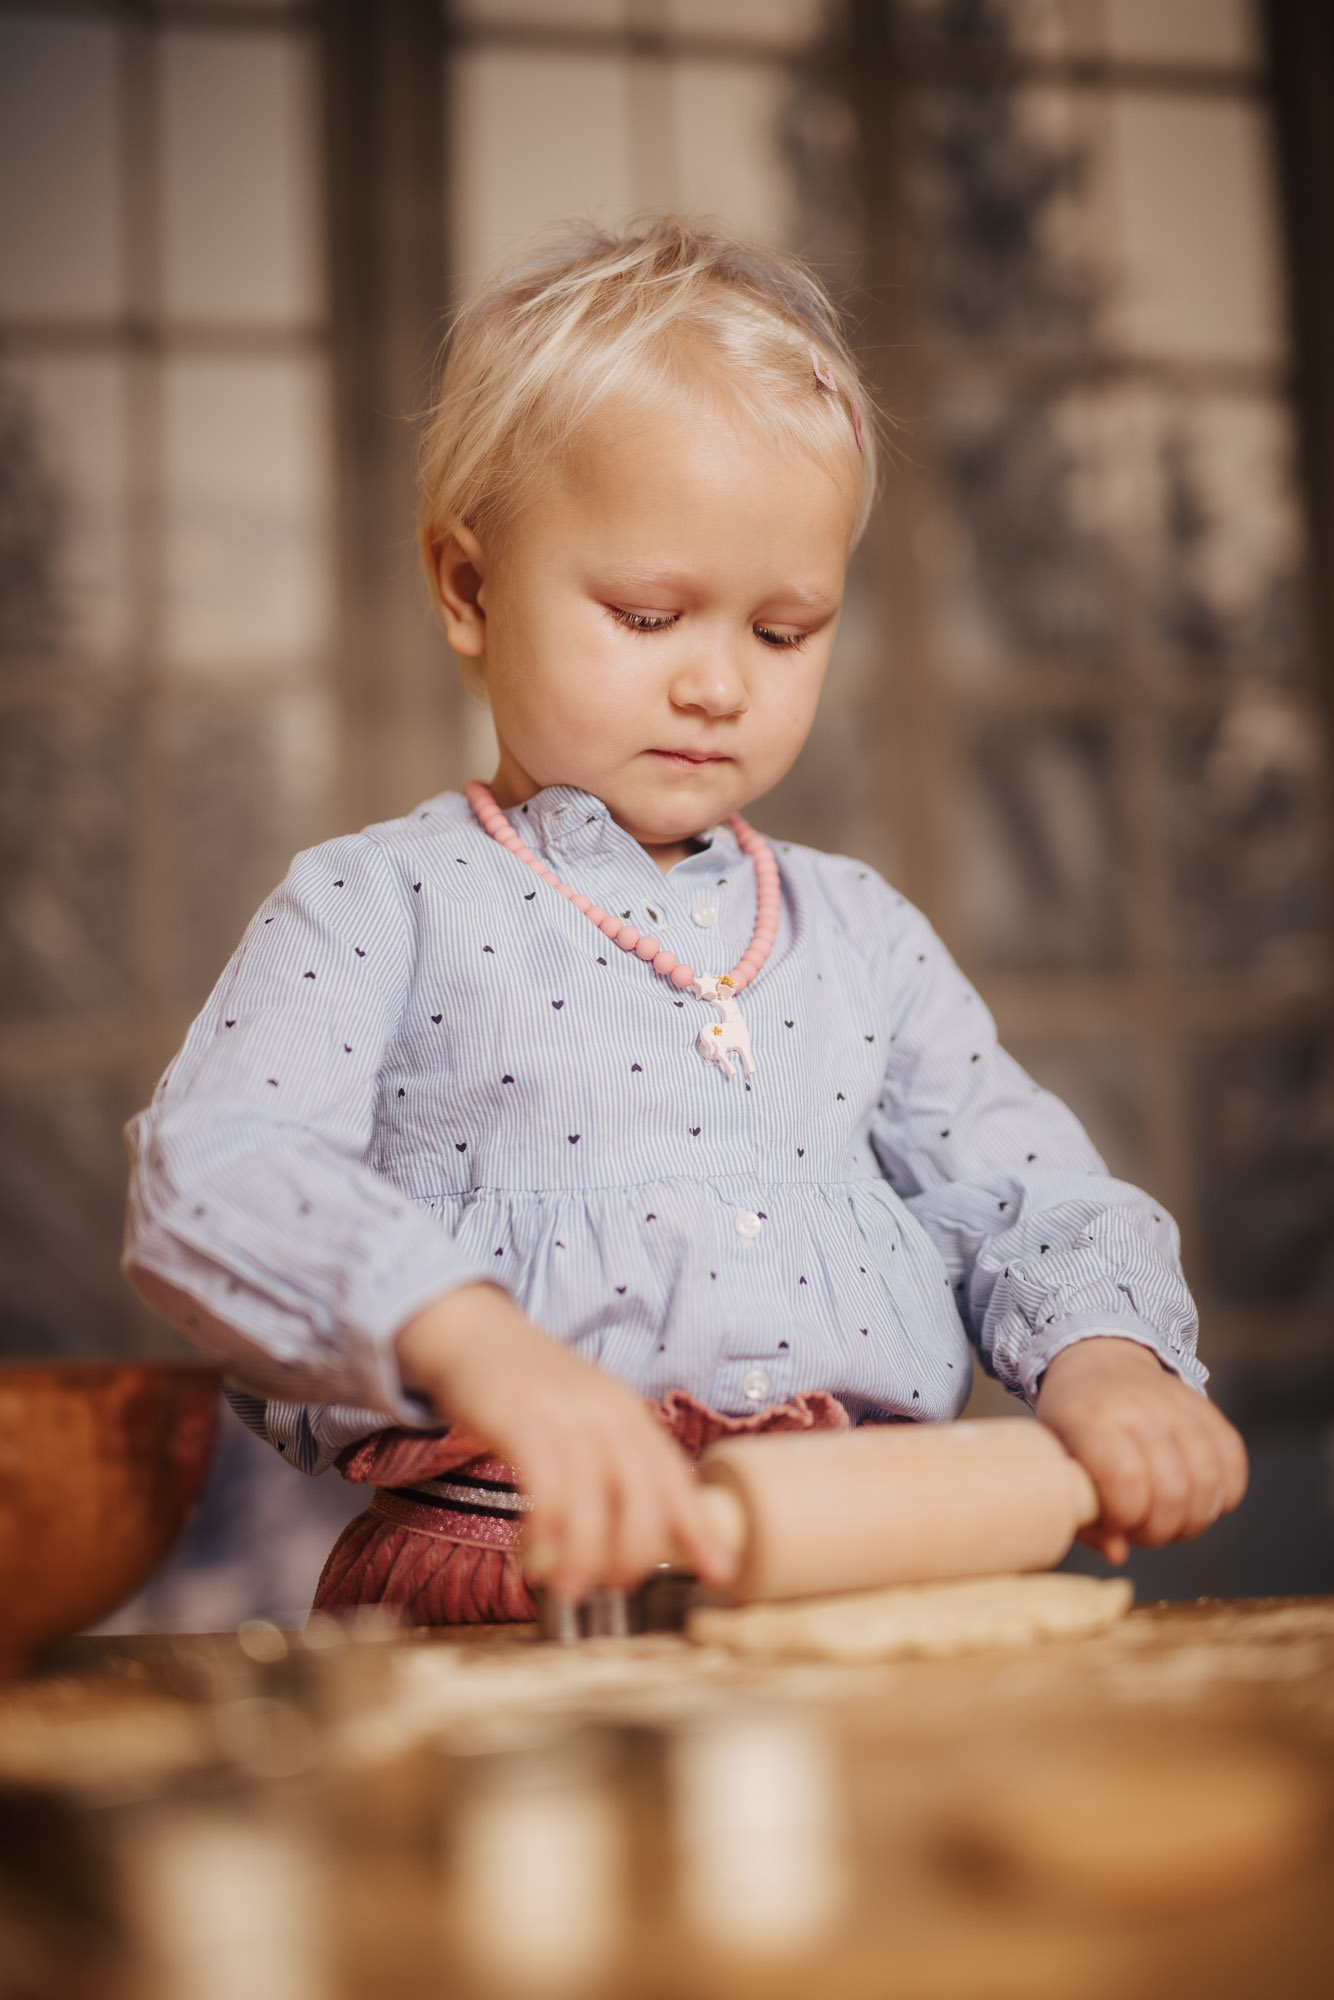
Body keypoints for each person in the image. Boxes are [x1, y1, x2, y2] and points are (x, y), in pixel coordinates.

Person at [123, 217, 1247, 1623]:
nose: (718, 682)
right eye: (651, 616)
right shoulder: (375, 907)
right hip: (510, 1576)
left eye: (782, 631)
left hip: (856, 1574)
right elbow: (215, 1172)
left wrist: (1104, 1360)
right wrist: (471, 1341)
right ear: (469, 588)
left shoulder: (861, 935)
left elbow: (1022, 1188)